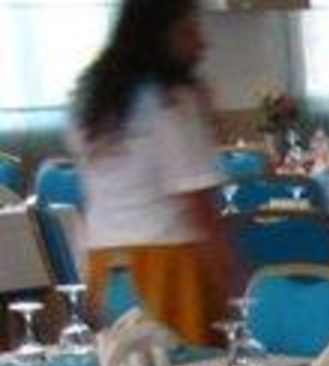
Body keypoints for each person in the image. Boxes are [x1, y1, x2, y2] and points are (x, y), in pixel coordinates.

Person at [67, 0, 236, 344]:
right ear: (161, 35)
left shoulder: (92, 98)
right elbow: (199, 206)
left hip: (105, 262)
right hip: (167, 264)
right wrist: (232, 285)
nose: (202, 43)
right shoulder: (170, 100)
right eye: (190, 29)